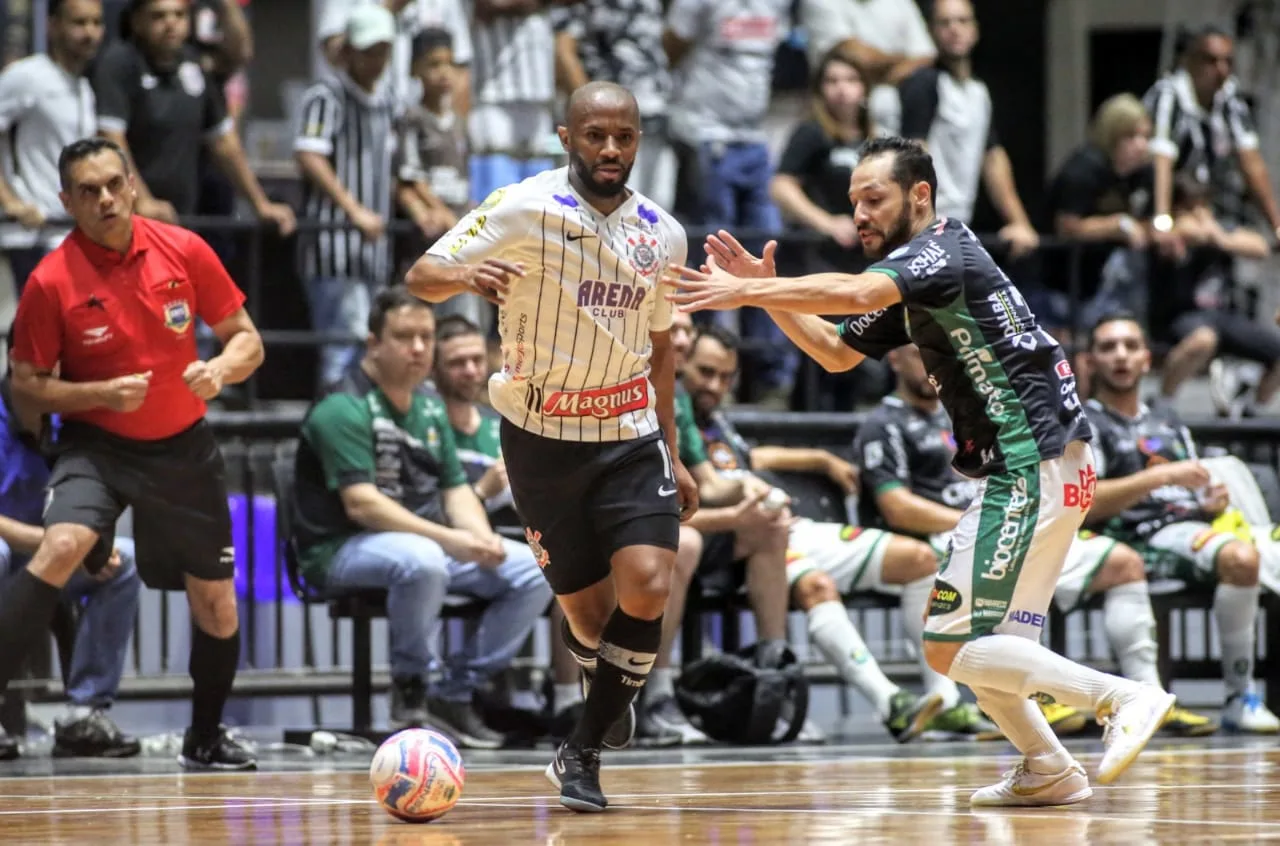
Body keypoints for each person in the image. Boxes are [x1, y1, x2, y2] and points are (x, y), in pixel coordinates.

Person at [669, 136, 1174, 806]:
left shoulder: (939, 250)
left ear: (920, 197)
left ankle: (1123, 697)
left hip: (1030, 465)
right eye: (852, 203)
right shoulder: (916, 276)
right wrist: (765, 298)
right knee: (993, 646)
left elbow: (850, 292)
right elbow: (836, 353)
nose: (860, 215)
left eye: (873, 199)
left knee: (945, 645)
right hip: (1051, 468)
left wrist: (750, 287)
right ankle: (1047, 766)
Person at [406, 81, 699, 812]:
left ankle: (583, 750)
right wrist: (468, 274)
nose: (610, 149)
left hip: (629, 433)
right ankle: (604, 691)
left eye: (623, 137)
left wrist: (673, 445)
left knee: (650, 583)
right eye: (595, 135)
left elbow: (661, 349)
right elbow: (423, 274)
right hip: (539, 437)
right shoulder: (521, 206)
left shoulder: (663, 232)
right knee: (592, 623)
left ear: (638, 141)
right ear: (566, 137)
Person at [0, 136, 265, 770]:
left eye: (114, 184)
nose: (105, 199)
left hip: (184, 448)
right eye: (87, 191)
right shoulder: (50, 280)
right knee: (61, 546)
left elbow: (247, 340)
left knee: (216, 601)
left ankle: (204, 738)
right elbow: (25, 384)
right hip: (95, 446)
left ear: (132, 185)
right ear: (66, 201)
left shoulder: (184, 250)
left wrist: (221, 370)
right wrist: (97, 393)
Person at [856, 343, 1216, 738]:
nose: (928, 363)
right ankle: (1051, 707)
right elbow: (897, 507)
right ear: (892, 358)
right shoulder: (883, 423)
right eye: (914, 353)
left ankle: (1147, 697)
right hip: (955, 537)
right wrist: (980, 522)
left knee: (1121, 562)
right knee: (969, 625)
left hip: (1013, 522)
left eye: (933, 354)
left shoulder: (964, 412)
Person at [681, 325, 981, 742]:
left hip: (790, 528)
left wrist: (821, 459)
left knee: (919, 560)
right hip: (739, 544)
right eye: (705, 373)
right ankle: (889, 703)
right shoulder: (670, 416)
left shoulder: (716, 422)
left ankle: (944, 701)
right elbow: (714, 482)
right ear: (680, 366)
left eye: (726, 377)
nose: (715, 385)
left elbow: (754, 457)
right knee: (817, 586)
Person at [292, 289, 552, 747]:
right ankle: (410, 690)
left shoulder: (429, 405)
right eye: (404, 336)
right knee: (424, 559)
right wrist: (452, 541)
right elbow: (363, 505)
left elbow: (455, 489)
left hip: (423, 540)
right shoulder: (343, 406)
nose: (417, 348)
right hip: (339, 547)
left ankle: (453, 691)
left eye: (425, 337)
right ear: (374, 342)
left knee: (536, 569)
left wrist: (478, 536)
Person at [431, 313, 692, 746]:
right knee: (584, 616)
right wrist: (481, 507)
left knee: (648, 575)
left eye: (476, 359)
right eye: (458, 361)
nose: (471, 371)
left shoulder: (635, 394)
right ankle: (454, 691)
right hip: (487, 527)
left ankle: (586, 734)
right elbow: (453, 494)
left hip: (568, 495)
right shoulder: (490, 413)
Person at [1083, 313, 1279, 733]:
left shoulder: (1167, 420)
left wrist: (1211, 501)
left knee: (1259, 553)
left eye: (1131, 346)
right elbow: (1085, 502)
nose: (1120, 356)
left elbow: (1194, 491)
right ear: (1091, 361)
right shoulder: (1085, 424)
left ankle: (1239, 699)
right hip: (1131, 536)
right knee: (1241, 558)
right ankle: (1239, 695)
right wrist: (1158, 477)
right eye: (1108, 347)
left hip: (1189, 529)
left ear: (1147, 360)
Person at [0, 371, 143, 759]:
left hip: (55, 550)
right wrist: (53, 546)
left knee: (123, 561)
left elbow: (96, 497)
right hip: (15, 551)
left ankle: (85, 713)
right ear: (18, 374)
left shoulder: (71, 423)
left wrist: (91, 547)